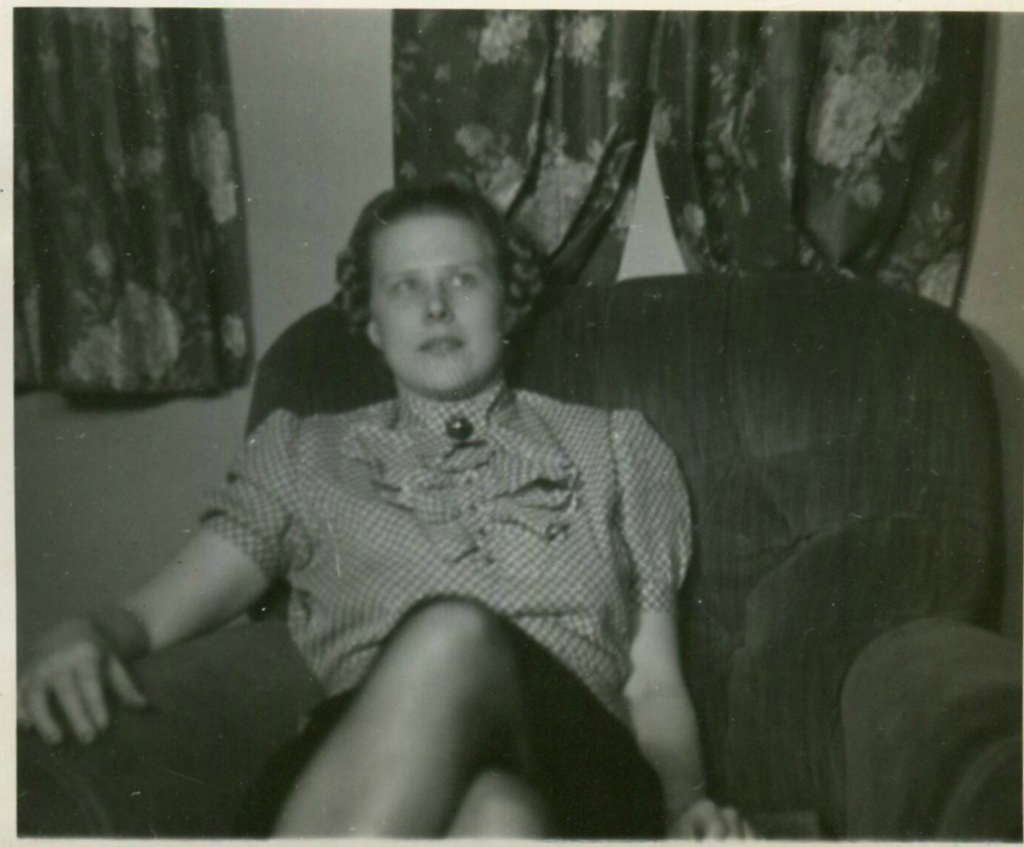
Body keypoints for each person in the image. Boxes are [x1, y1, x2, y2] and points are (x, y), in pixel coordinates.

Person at [17, 180, 756, 840]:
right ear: (371, 322)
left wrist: (682, 806)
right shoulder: (304, 453)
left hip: (578, 759)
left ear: (510, 299)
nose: (436, 306)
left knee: (455, 629)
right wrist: (84, 630)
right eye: (404, 287)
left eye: (463, 279)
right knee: (497, 819)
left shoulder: (615, 446)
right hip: (373, 761)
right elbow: (155, 613)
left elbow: (652, 682)